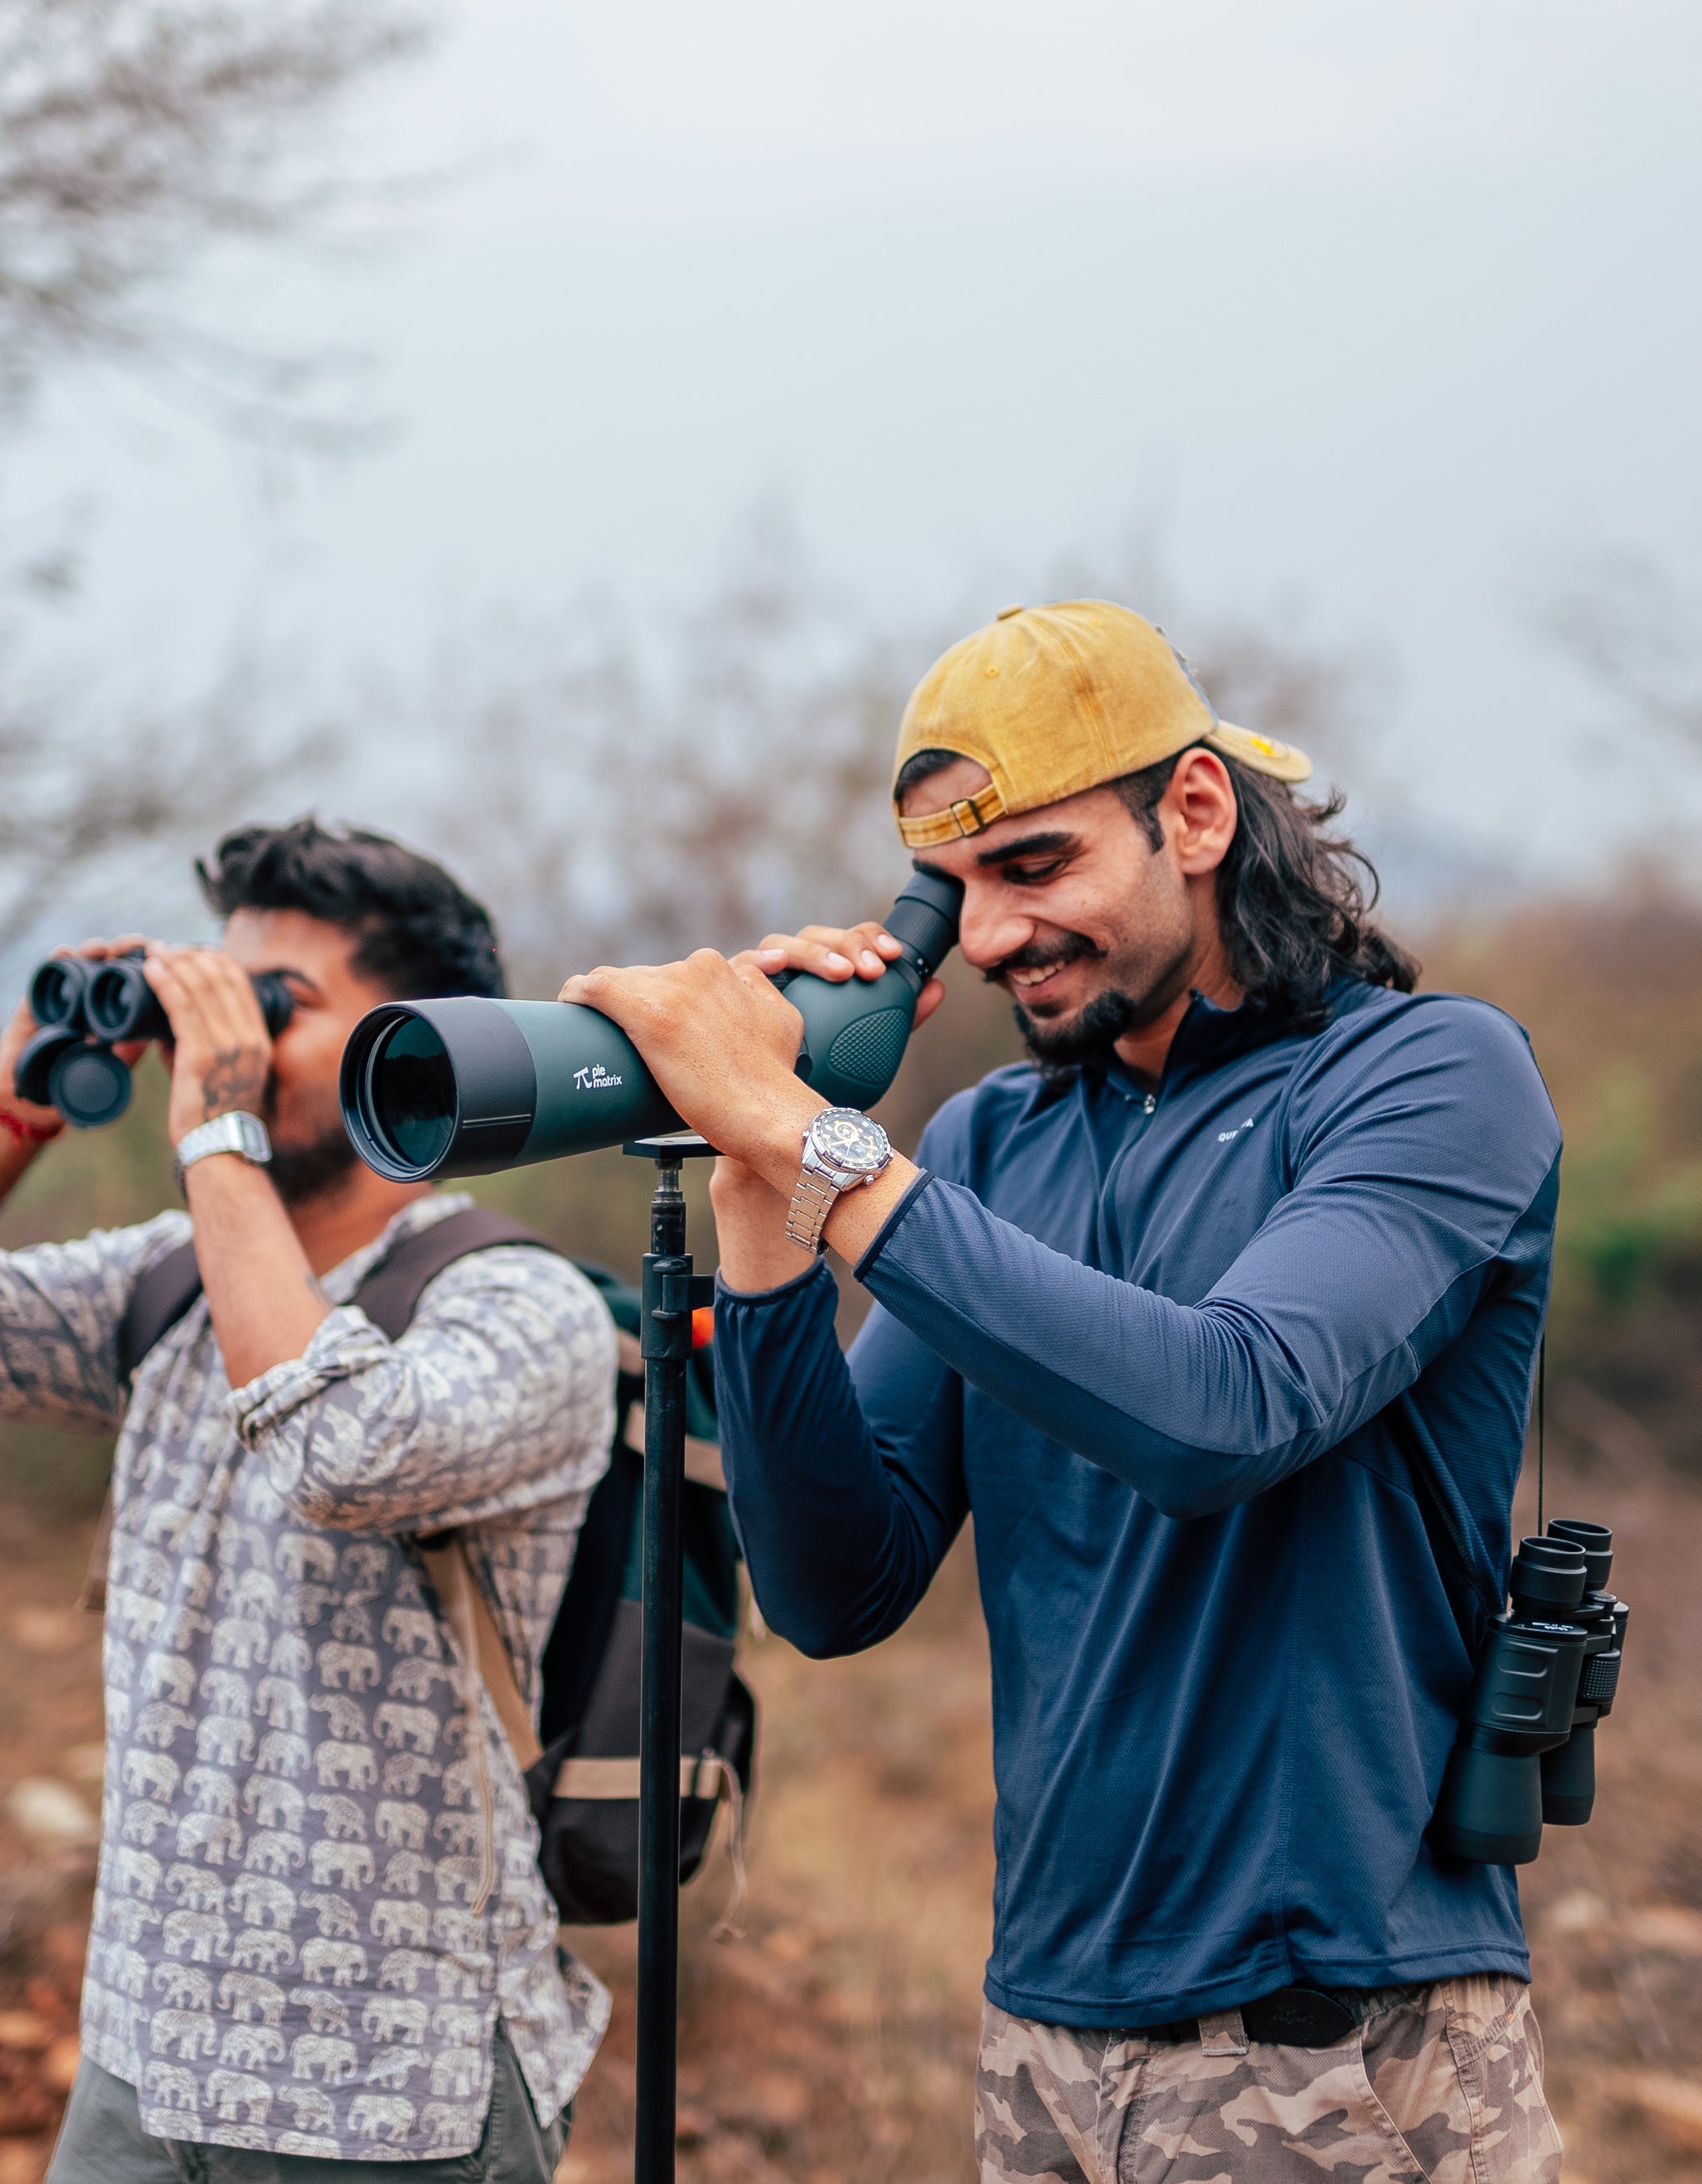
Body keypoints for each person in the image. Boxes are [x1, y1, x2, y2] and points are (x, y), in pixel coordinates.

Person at [559, 601, 1567, 2183]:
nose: (988, 936)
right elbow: (836, 1587)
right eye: (950, 891)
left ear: (1196, 813)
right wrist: (765, 1197)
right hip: (1045, 2027)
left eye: (1034, 867)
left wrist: (820, 1146)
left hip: (1329, 2028)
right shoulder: (989, 1147)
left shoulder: (1428, 1079)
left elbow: (1223, 1409)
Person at [0, 817, 614, 2181]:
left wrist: (218, 1140)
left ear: (414, 1041)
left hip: (390, 2088)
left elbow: (334, 1450)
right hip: (146, 2055)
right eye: (213, 993)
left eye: (272, 1008)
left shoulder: (516, 1304)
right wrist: (17, 1103)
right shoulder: (172, 1283)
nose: (215, 1038)